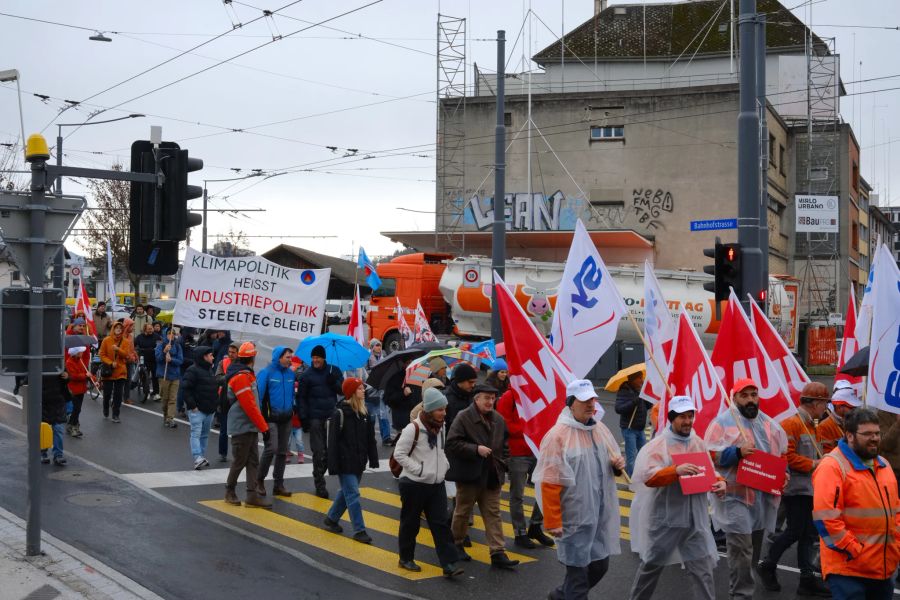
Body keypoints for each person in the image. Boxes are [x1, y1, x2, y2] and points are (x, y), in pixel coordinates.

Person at [533, 379, 625, 600]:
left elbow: (610, 464)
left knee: (600, 566)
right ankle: (568, 594)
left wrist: (617, 466)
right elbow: (550, 480)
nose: (591, 404)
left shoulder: (599, 429)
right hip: (573, 519)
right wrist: (553, 520)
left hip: (598, 516)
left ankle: (560, 594)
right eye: (584, 400)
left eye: (593, 399)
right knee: (578, 579)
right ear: (571, 403)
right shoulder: (558, 436)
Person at [628, 395, 725, 600]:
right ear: (672, 418)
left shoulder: (698, 442)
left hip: (694, 522)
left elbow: (709, 471)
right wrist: (675, 471)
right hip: (665, 521)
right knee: (650, 568)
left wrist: (720, 482)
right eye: (682, 417)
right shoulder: (658, 445)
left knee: (703, 571)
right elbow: (648, 478)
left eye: (690, 416)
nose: (688, 421)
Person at [704, 378, 788, 600]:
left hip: (761, 498)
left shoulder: (769, 424)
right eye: (745, 395)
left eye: (754, 394)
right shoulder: (722, 423)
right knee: (741, 550)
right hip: (735, 497)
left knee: (753, 551)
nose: (751, 400)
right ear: (734, 398)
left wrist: (783, 475)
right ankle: (741, 595)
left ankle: (743, 587)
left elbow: (780, 454)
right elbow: (710, 456)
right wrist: (737, 453)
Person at [814, 408, 900, 599]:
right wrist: (854, 550)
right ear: (850, 436)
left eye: (877, 433)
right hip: (849, 571)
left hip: (883, 568)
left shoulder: (883, 465)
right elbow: (825, 518)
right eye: (867, 434)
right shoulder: (832, 466)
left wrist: (897, 546)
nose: (875, 438)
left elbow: (896, 511)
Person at [758, 382, 831, 596]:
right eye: (824, 404)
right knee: (795, 532)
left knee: (807, 534)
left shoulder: (813, 425)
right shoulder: (792, 424)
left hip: (810, 489)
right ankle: (768, 565)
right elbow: (786, 457)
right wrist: (815, 464)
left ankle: (806, 579)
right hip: (796, 489)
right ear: (815, 403)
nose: (825, 408)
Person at [446, 383, 519, 569]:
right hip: (470, 474)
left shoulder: (498, 419)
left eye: (493, 398)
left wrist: (504, 464)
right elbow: (452, 443)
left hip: (492, 475)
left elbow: (504, 446)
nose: (490, 402)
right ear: (476, 399)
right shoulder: (463, 417)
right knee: (462, 512)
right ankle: (457, 544)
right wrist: (475, 449)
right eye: (486, 398)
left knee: (493, 513)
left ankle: (497, 552)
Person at [393, 386, 464, 578]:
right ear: (430, 409)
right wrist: (419, 469)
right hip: (414, 484)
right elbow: (399, 454)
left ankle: (449, 564)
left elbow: (440, 451)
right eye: (440, 409)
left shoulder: (440, 427)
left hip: (436, 483)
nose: (444, 413)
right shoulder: (413, 428)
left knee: (440, 523)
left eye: (444, 409)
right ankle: (405, 558)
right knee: (411, 523)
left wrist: (444, 466)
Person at [495, 386, 554, 549]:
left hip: (537, 449)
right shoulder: (508, 396)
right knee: (517, 495)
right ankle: (520, 532)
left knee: (545, 488)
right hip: (517, 452)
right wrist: (529, 430)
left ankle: (535, 526)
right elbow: (503, 423)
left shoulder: (537, 392)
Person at [322, 377, 379, 544]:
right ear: (352, 392)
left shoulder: (364, 413)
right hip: (344, 462)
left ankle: (331, 519)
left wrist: (373, 459)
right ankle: (359, 530)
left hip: (359, 462)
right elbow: (332, 443)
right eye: (360, 388)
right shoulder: (339, 414)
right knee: (353, 494)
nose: (364, 391)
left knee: (346, 493)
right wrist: (332, 466)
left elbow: (370, 439)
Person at [224, 342, 271, 508]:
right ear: (253, 357)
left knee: (252, 461)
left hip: (249, 426)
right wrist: (264, 427)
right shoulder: (242, 377)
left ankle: (252, 495)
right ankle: (229, 491)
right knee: (240, 460)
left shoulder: (246, 375)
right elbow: (249, 406)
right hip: (242, 426)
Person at [297, 344, 343, 499]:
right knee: (319, 452)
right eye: (313, 357)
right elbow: (301, 398)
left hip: (331, 418)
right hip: (315, 419)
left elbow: (343, 390)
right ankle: (319, 483)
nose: (315, 360)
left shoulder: (334, 371)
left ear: (324, 358)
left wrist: (334, 383)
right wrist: (303, 418)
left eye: (318, 357)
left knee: (331, 453)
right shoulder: (306, 376)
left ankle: (319, 473)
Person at [256, 346, 296, 498]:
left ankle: (279, 484)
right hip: (270, 418)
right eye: (287, 357)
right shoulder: (266, 372)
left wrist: (293, 408)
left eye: (291, 357)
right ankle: (259, 481)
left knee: (282, 451)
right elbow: (259, 396)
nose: (290, 360)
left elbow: (292, 394)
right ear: (279, 357)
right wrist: (260, 418)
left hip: (286, 418)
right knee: (271, 448)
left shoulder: (291, 373)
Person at [181, 346, 218, 470]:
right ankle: (197, 457)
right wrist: (193, 406)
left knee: (205, 435)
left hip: (210, 409)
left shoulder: (210, 370)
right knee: (196, 433)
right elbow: (185, 389)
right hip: (198, 410)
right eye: (210, 355)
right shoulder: (192, 370)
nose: (213, 357)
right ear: (204, 356)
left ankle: (201, 457)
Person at [614, 369, 649, 476]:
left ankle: (641, 475)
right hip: (629, 429)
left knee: (643, 454)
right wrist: (634, 402)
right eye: (639, 378)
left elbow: (646, 407)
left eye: (642, 377)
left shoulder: (640, 391)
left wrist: (647, 400)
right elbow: (618, 409)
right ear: (633, 379)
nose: (642, 380)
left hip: (640, 429)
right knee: (632, 456)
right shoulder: (624, 391)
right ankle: (632, 479)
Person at [99, 321, 134, 423]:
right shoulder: (106, 340)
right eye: (116, 327)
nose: (118, 329)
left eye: (120, 328)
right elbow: (102, 354)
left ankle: (116, 414)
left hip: (121, 372)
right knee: (107, 394)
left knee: (118, 395)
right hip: (109, 372)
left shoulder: (126, 341)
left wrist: (118, 349)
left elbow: (126, 355)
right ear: (113, 329)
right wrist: (110, 363)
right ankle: (106, 407)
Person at [383, 357, 421, 442]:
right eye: (408, 363)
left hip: (417, 420)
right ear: (404, 364)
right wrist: (402, 394)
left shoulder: (418, 376)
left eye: (413, 362)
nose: (411, 365)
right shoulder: (395, 379)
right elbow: (387, 399)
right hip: (402, 421)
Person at [819, 384, 862, 453]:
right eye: (851, 407)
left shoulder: (857, 422)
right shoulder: (824, 426)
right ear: (839, 407)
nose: (855, 409)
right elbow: (826, 454)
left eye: (855, 407)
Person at [215, 342, 239, 462]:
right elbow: (218, 379)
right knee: (223, 430)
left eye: (233, 352)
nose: (230, 354)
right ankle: (223, 453)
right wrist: (228, 377)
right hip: (224, 399)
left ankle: (237, 454)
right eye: (229, 352)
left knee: (237, 431)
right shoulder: (222, 362)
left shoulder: (243, 364)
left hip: (238, 400)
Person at [155, 327, 183, 428]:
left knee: (173, 399)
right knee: (165, 399)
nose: (171, 335)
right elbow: (158, 358)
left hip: (175, 376)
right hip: (164, 376)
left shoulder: (178, 346)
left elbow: (180, 360)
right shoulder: (160, 345)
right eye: (169, 333)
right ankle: (166, 415)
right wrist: (164, 351)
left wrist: (172, 360)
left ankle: (170, 418)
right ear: (165, 335)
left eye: (173, 334)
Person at [41, 372, 70, 466]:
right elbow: (28, 380)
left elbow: (67, 378)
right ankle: (42, 453)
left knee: (58, 429)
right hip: (42, 401)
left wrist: (67, 377)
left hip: (58, 401)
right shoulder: (37, 361)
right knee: (43, 429)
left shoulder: (58, 361)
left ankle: (58, 455)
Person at [64, 346, 90, 438]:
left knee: (77, 409)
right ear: (76, 353)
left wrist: (93, 379)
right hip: (73, 390)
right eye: (80, 352)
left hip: (81, 389)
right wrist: (85, 376)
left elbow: (86, 373)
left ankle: (73, 426)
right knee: (76, 409)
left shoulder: (80, 361)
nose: (82, 353)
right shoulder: (69, 362)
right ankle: (72, 425)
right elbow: (73, 376)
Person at [444, 362, 477, 429]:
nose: (473, 385)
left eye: (474, 382)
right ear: (460, 380)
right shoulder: (446, 398)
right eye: (470, 382)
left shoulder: (475, 394)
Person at [134, 322, 160, 401]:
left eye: (151, 328)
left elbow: (160, 345)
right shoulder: (139, 337)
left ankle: (156, 393)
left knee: (155, 376)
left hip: (154, 358)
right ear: (145, 329)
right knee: (145, 376)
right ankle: (146, 391)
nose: (151, 330)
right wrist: (136, 351)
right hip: (143, 358)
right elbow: (134, 345)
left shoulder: (156, 336)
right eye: (149, 329)